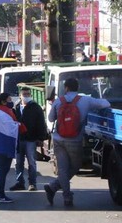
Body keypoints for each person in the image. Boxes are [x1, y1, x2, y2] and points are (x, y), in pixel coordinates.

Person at [45, 78, 110, 207]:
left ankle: (65, 196)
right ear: (77, 87)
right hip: (75, 139)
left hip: (58, 139)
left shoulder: (59, 101)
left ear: (66, 88)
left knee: (62, 169)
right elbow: (106, 104)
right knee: (75, 167)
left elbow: (51, 118)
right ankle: (54, 187)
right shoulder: (85, 100)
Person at [0, 93, 24, 203]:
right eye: (9, 99)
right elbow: (10, 128)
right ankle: (0, 195)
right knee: (3, 169)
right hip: (3, 145)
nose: (11, 101)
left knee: (2, 169)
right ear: (3, 101)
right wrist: (19, 125)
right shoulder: (3, 113)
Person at [10, 87, 49, 192]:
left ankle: (32, 183)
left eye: (28, 94)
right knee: (18, 162)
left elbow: (41, 123)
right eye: (24, 94)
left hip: (30, 140)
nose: (26, 96)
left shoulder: (35, 107)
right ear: (20, 95)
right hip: (18, 139)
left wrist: (41, 138)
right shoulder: (16, 107)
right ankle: (20, 183)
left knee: (31, 162)